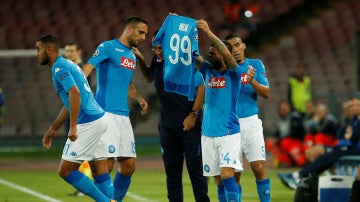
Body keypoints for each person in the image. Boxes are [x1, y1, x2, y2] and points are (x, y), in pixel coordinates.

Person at [35, 34, 115, 202]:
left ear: (49, 50)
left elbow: (74, 93)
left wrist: (73, 126)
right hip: (99, 118)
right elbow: (70, 101)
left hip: (88, 122)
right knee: (99, 170)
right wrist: (54, 128)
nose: (36, 53)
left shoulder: (59, 68)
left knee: (65, 171)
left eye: (38, 49)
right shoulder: (68, 64)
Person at [134, 29, 209, 202]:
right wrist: (140, 59)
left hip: (190, 125)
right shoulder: (157, 60)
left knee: (196, 170)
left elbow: (201, 87)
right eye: (155, 48)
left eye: (161, 48)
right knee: (172, 173)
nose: (158, 52)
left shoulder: (184, 60)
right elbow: (148, 78)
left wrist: (193, 115)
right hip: (167, 126)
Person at [81, 16, 149, 202]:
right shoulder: (107, 47)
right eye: (141, 32)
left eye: (145, 34)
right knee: (107, 165)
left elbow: (127, 83)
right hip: (105, 113)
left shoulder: (131, 55)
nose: (144, 37)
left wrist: (138, 98)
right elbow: (88, 67)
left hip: (123, 116)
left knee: (128, 166)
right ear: (129, 30)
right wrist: (78, 86)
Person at [196, 19, 243, 202]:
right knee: (218, 180)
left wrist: (208, 32)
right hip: (207, 133)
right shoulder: (208, 70)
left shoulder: (234, 73)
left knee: (226, 174)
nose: (209, 55)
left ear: (223, 55)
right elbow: (195, 57)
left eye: (213, 52)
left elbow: (227, 55)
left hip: (228, 132)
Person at [225, 33, 271, 201]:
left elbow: (266, 93)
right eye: (230, 48)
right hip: (231, 125)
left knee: (258, 167)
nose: (235, 50)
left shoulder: (255, 64)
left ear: (243, 45)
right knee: (235, 174)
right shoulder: (225, 69)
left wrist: (252, 81)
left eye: (237, 45)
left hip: (251, 123)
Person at [278, 98, 360, 190]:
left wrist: (350, 136)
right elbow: (341, 134)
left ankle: (301, 177)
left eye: (356, 105)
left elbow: (352, 137)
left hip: (351, 148)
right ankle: (302, 177)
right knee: (320, 154)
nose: (353, 108)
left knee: (326, 155)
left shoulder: (331, 120)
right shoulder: (353, 119)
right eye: (352, 106)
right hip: (345, 146)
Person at [265, 100, 306, 167]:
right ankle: (284, 161)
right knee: (269, 142)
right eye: (282, 109)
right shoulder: (279, 120)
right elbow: (277, 133)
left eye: (285, 108)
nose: (284, 111)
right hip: (284, 142)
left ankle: (299, 161)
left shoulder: (294, 117)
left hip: (295, 142)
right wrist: (274, 139)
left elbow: (294, 133)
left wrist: (278, 139)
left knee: (285, 142)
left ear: (289, 108)